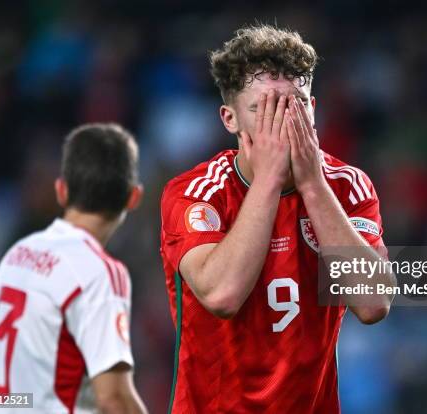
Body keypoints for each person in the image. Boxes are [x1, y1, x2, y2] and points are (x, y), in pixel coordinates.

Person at [160, 24, 394, 413]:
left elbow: (373, 303)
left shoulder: (347, 186)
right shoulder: (195, 193)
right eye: (263, 108)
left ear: (314, 110)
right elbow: (222, 295)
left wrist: (313, 186)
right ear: (229, 119)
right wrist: (268, 179)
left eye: (295, 104)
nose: (282, 121)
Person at [0, 123, 148, 414]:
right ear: (133, 197)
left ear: (61, 190)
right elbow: (114, 399)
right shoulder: (99, 272)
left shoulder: (15, 256)